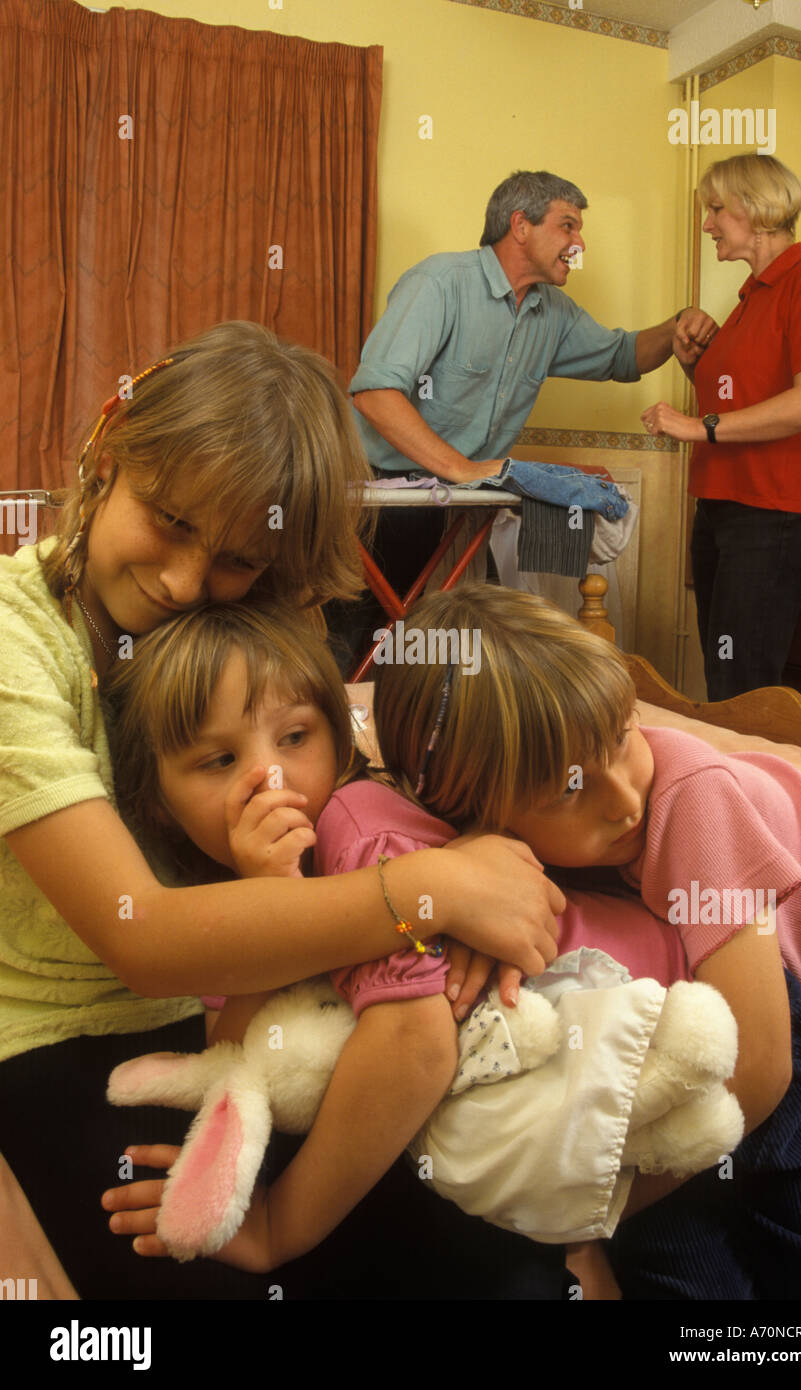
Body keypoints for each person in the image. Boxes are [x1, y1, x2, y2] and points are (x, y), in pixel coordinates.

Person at [0, 324, 564, 1300]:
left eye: (230, 560)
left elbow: (342, 784)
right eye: (167, 521)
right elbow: (143, 937)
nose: (182, 582)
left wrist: (466, 885)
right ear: (108, 444)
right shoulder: (18, 644)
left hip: (242, 1018)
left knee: (500, 1264)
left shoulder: (228, 624)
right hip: (60, 1045)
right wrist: (427, 890)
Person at [99, 602, 742, 1294]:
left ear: (341, 740)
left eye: (295, 737)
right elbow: (237, 1051)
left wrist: (277, 1226)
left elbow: (417, 1041)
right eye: (220, 759)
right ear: (156, 803)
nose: (271, 781)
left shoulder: (357, 830)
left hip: (664, 1024)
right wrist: (271, 901)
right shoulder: (220, 895)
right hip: (587, 1086)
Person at [366, 583, 801, 1298]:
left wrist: (592, 1216)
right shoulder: (486, 826)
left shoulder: (693, 801)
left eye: (622, 737)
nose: (625, 798)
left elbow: (762, 1068)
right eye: (568, 789)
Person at [329, 169, 718, 665]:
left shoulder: (553, 313)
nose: (580, 243)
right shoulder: (439, 283)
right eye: (568, 226)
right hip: (381, 498)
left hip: (461, 508)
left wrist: (680, 321)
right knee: (356, 644)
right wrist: (462, 469)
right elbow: (375, 393)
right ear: (520, 225)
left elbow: (624, 356)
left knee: (465, 646)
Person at [641, 153, 801, 700]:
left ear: (757, 210)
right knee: (725, 678)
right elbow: (741, 402)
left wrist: (699, 427)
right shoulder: (747, 297)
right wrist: (692, 361)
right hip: (721, 508)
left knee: (745, 690)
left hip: (772, 517)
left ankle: (743, 789)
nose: (707, 223)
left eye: (715, 209)